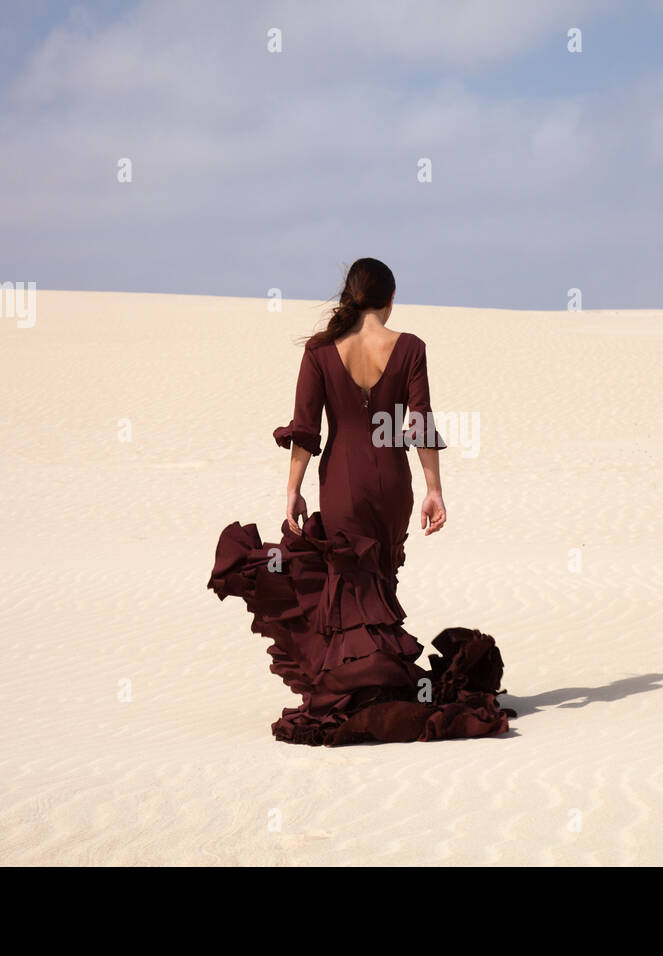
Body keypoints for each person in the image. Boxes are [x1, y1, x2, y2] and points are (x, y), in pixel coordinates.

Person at [209, 257, 515, 745]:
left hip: (342, 484)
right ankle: (373, 687)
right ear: (390, 300)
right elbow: (419, 424)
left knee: (352, 591)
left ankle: (358, 688)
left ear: (350, 296)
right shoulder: (410, 347)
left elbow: (306, 431)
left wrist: (292, 489)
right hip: (393, 486)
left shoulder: (320, 352)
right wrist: (434, 488)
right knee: (376, 586)